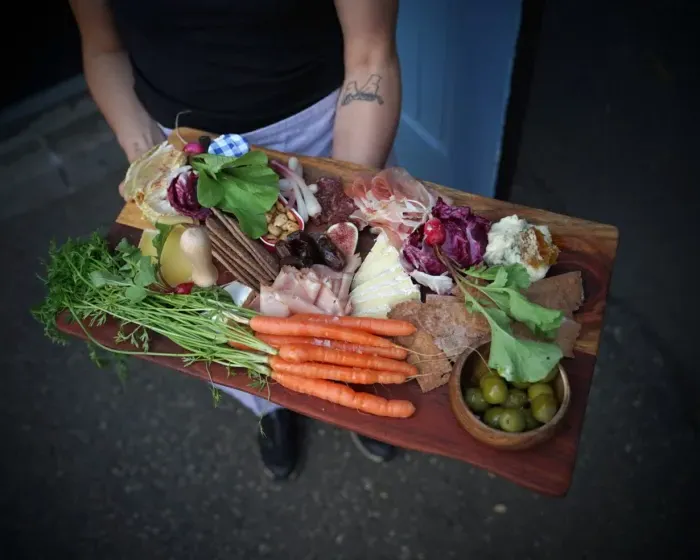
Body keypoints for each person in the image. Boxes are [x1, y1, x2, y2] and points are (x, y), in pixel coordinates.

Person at [69, 0, 402, 479]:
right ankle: (270, 406)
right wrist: (153, 164)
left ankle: (359, 394)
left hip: (329, 134)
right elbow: (103, 50)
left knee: (354, 301)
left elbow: (371, 53)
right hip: (179, 148)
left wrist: (339, 201)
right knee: (227, 309)